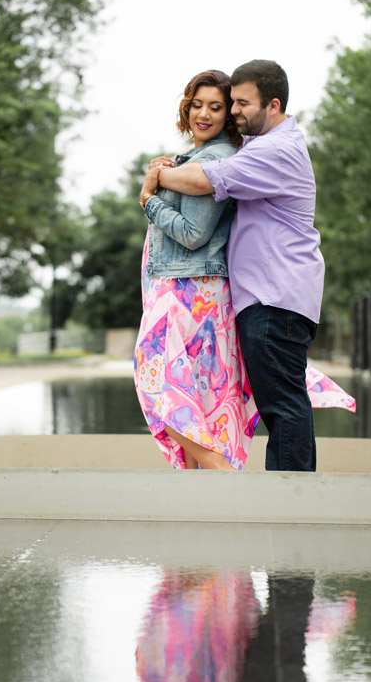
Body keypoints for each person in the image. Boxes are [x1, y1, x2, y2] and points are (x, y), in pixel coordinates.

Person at [149, 60, 353, 472]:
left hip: (275, 297)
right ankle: (289, 496)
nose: (234, 111)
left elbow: (206, 180)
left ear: (272, 105)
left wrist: (153, 181)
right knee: (281, 402)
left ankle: (291, 500)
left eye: (242, 103)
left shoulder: (276, 150)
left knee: (282, 404)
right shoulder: (263, 145)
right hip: (272, 296)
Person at [134, 69, 259, 471]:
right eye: (196, 105)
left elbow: (193, 234)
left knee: (159, 386)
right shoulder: (194, 158)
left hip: (189, 292)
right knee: (194, 399)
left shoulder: (216, 158)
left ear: (228, 116)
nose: (203, 114)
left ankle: (222, 478)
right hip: (189, 291)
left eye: (215, 107)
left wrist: (149, 200)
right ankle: (209, 494)